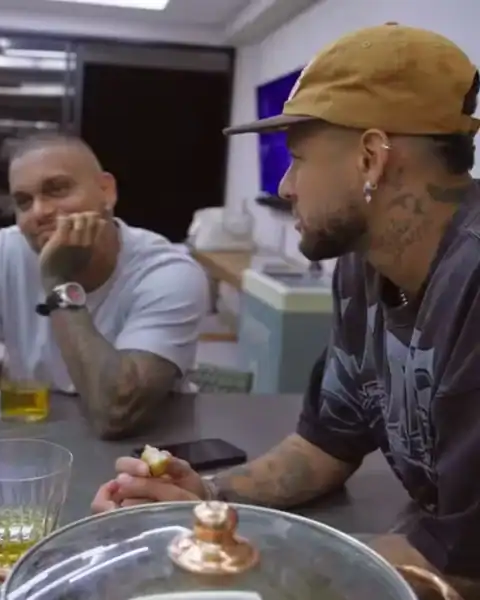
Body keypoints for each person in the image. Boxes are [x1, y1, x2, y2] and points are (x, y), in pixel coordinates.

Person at [93, 23, 480, 596]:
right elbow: (326, 444)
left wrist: (230, 560)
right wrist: (207, 504)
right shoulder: (364, 267)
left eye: (298, 158)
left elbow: (464, 564)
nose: (285, 185)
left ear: (371, 159)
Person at [0, 133, 209, 455]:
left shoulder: (168, 273)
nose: (40, 212)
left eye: (57, 189)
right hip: (33, 445)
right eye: (24, 202)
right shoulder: (7, 252)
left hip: (146, 458)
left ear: (106, 191)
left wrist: (58, 280)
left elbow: (115, 413)